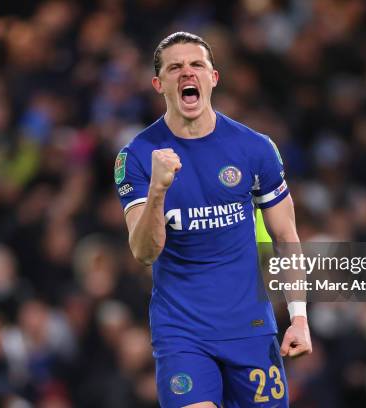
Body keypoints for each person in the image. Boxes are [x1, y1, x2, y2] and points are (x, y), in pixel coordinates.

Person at [115, 31, 312, 408]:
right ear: (159, 84)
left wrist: (299, 317)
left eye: (196, 65)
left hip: (250, 329)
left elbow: (287, 236)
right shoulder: (138, 156)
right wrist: (158, 190)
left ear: (213, 78)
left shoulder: (255, 148)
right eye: (175, 67)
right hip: (182, 332)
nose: (187, 74)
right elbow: (143, 252)